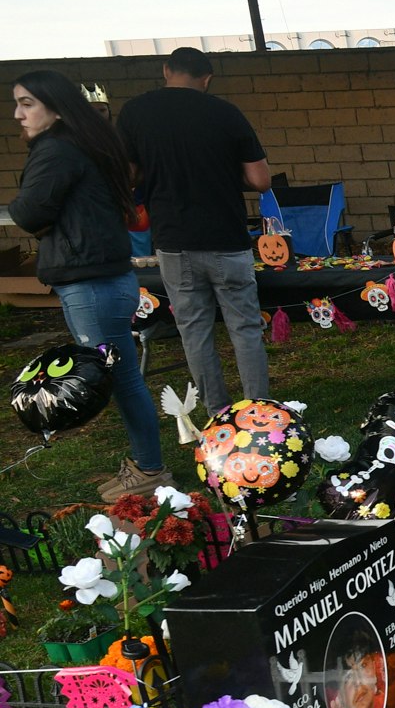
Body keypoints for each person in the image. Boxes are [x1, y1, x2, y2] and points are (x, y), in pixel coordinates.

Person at [8, 69, 172, 500]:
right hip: (106, 276)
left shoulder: (56, 150)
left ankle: (151, 470)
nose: (17, 114)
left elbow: (28, 212)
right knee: (124, 379)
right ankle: (146, 465)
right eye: (17, 103)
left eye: (27, 104)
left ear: (56, 108)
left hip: (91, 284)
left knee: (121, 381)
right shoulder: (87, 144)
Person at [117, 46, 273, 421]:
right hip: (227, 240)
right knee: (245, 328)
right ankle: (257, 411)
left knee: (194, 330)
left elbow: (127, 176)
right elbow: (260, 179)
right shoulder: (225, 113)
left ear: (167, 69)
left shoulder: (135, 112)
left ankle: (216, 413)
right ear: (207, 79)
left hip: (174, 242)